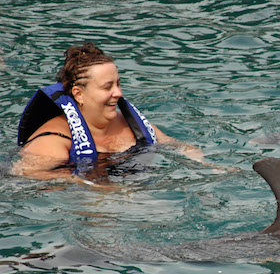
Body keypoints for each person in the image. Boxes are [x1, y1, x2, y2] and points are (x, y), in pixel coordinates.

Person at [15, 42, 205, 180]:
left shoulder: (129, 124)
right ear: (79, 94)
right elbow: (22, 173)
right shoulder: (53, 140)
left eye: (118, 84)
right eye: (107, 87)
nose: (118, 93)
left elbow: (178, 146)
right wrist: (74, 181)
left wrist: (206, 167)